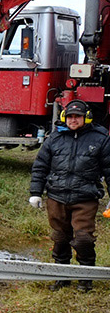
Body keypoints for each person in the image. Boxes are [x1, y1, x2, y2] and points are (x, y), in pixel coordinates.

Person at [29, 99, 110, 292]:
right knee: (60, 238)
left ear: (86, 118)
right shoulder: (54, 138)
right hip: (56, 197)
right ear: (65, 117)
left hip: (85, 198)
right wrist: (35, 192)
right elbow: (40, 166)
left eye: (78, 116)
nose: (73, 120)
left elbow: (109, 170)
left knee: (83, 239)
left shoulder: (101, 139)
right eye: (70, 116)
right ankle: (61, 276)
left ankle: (86, 277)